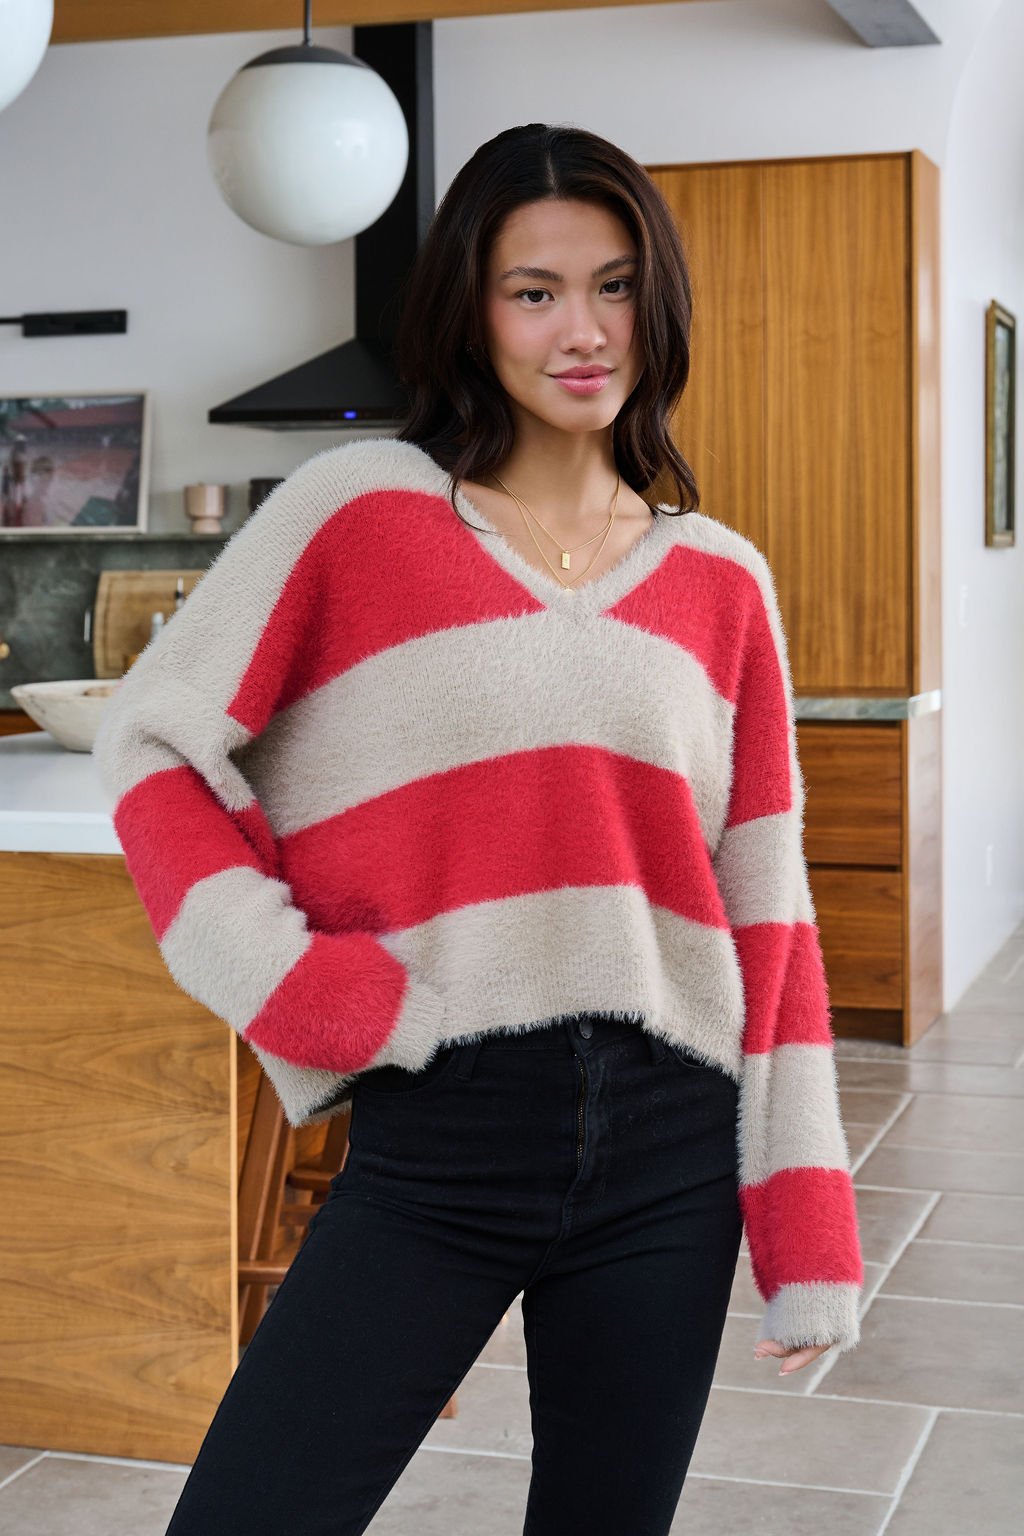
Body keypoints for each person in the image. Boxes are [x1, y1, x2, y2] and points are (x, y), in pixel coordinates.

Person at [93, 123, 863, 1536]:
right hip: (442, 1126)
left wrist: (807, 1219)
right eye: (535, 291)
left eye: (616, 285)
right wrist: (311, 993)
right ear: (471, 308)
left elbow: (770, 901)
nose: (584, 330)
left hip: (670, 1147)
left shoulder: (723, 582)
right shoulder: (356, 516)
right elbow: (152, 749)